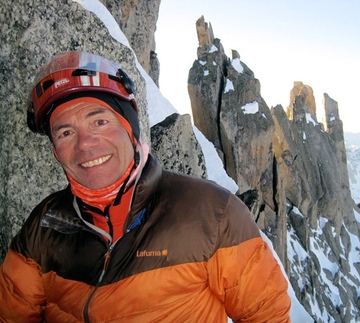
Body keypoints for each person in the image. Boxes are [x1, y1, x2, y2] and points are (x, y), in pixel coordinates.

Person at [0, 51, 291, 322]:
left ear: (130, 129)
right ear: (55, 150)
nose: (85, 144)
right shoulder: (43, 227)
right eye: (65, 132)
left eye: (100, 121)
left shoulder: (212, 213)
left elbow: (267, 314)